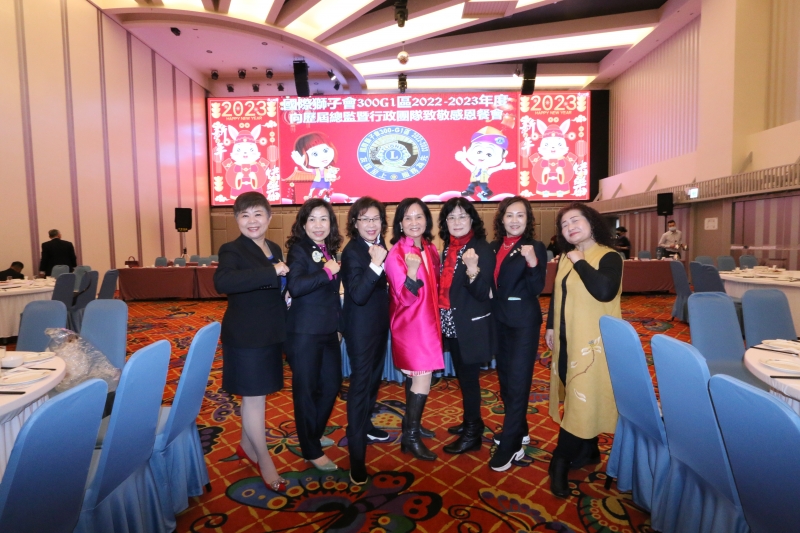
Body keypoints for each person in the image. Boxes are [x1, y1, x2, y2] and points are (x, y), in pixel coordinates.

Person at [213, 192, 289, 492]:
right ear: (236, 220)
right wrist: (272, 271)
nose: (252, 221)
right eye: (244, 215)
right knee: (254, 399)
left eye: (258, 214)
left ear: (269, 217)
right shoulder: (231, 250)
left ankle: (246, 445)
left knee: (257, 396)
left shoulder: (273, 248)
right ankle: (265, 461)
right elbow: (224, 282)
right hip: (246, 337)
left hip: (271, 333)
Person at [545, 202, 622, 498]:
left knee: (582, 396)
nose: (569, 227)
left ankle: (560, 460)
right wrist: (551, 326)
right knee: (576, 391)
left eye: (575, 220)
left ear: (591, 222)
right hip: (568, 337)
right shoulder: (566, 257)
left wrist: (579, 261)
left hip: (593, 344)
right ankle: (589, 449)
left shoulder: (609, 256)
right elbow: (558, 293)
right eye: (564, 225)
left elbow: (604, 291)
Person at [488, 197, 547, 471]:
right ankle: (520, 429)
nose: (514, 220)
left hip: (523, 322)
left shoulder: (534, 246)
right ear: (501, 219)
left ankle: (512, 445)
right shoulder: (493, 247)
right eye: (509, 215)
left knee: (519, 381)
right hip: (499, 321)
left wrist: (533, 262)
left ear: (528, 219)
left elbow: (536, 288)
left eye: (520, 215)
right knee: (505, 379)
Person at [285, 198, 343, 471]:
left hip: (328, 331)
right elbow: (296, 287)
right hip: (304, 332)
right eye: (312, 219)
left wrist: (339, 325)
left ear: (331, 224)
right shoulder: (299, 250)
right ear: (303, 223)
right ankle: (310, 448)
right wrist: (326, 272)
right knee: (306, 391)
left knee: (331, 385)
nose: (318, 225)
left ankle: (313, 434)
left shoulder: (328, 249)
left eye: (324, 219)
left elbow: (331, 294)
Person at [385, 198, 443, 461]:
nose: (414, 222)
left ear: (427, 221)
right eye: (407, 217)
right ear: (400, 223)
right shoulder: (397, 254)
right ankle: (409, 436)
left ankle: (412, 425)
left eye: (419, 216)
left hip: (429, 322)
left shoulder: (429, 248)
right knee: (422, 378)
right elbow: (405, 298)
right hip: (411, 326)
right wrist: (411, 271)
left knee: (417, 377)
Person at [437, 198, 495, 456]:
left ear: (472, 219)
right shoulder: (449, 248)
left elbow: (482, 293)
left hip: (470, 326)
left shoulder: (481, 248)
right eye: (451, 217)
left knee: (469, 380)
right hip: (452, 322)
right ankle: (471, 421)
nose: (457, 222)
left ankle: (473, 433)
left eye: (462, 216)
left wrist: (472, 269)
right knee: (462, 376)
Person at [340, 197, 392, 485]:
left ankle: (367, 426)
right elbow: (358, 295)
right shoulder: (352, 252)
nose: (371, 224)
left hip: (379, 326)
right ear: (355, 223)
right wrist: (375, 264)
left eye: (376, 219)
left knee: (373, 381)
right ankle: (356, 456)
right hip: (360, 330)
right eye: (365, 219)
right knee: (360, 388)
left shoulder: (379, 245)